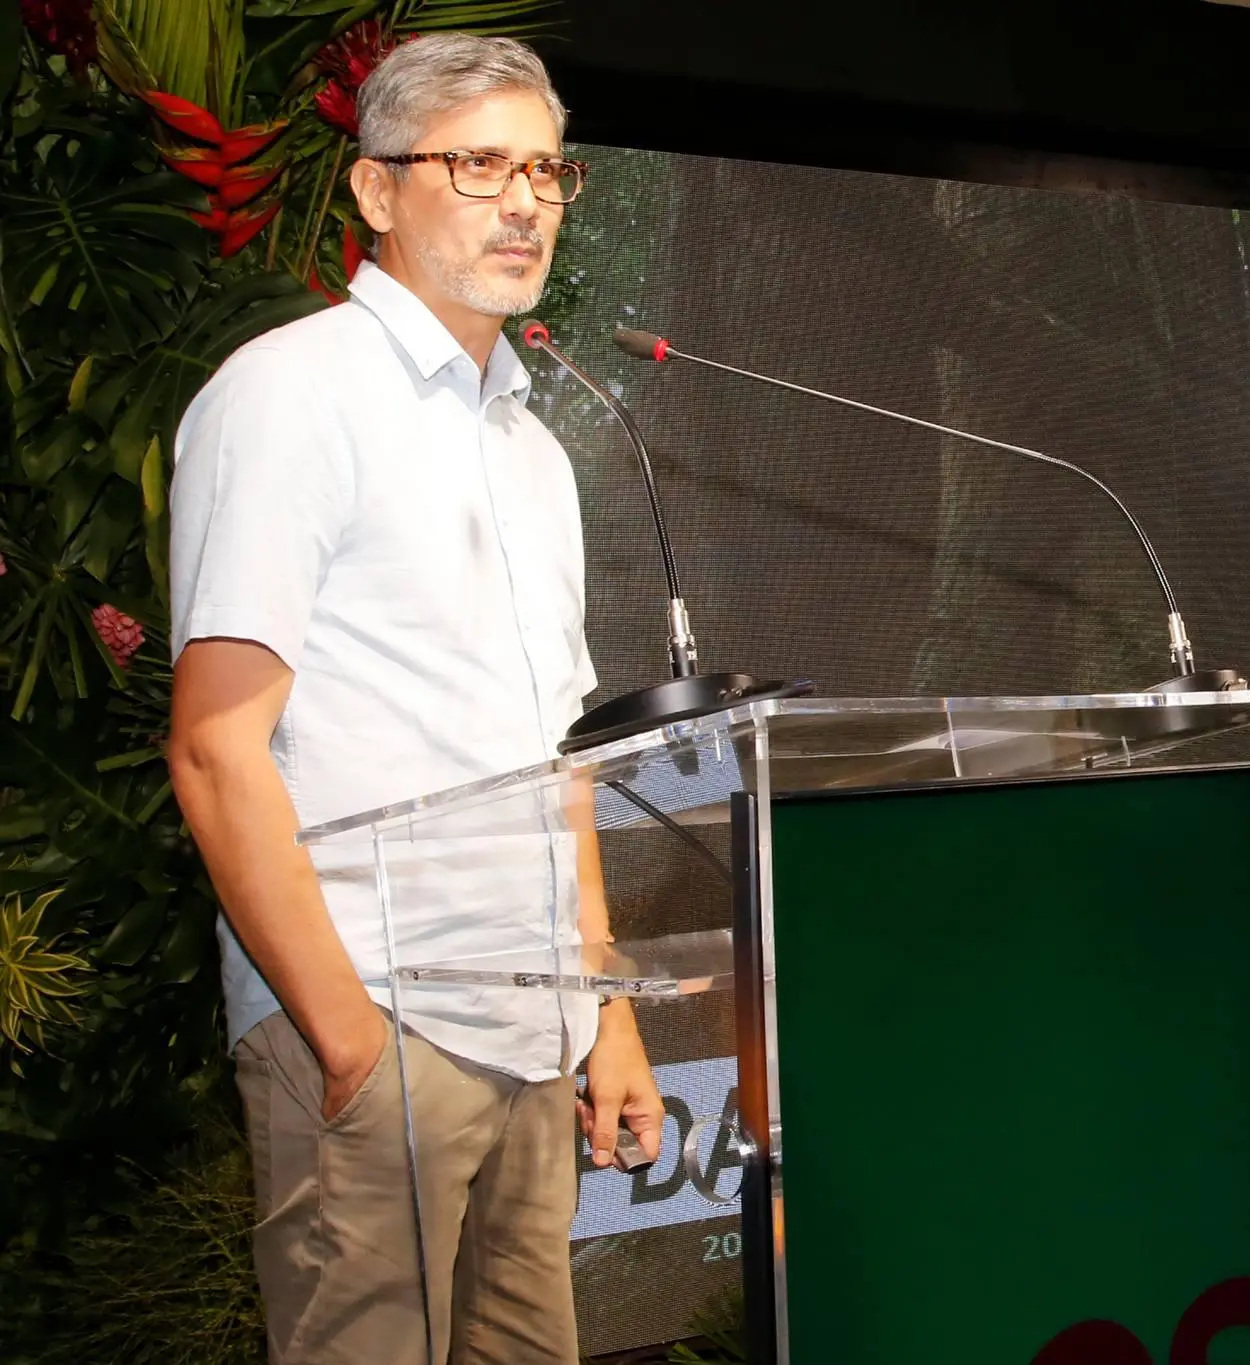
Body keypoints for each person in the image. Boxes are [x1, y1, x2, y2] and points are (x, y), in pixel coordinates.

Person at [166, 35, 659, 1364]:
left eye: (547, 170)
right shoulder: (290, 396)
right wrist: (345, 1036)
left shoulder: (536, 450)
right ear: (378, 193)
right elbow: (217, 751)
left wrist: (602, 1008)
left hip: (529, 1026)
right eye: (479, 162)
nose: (524, 202)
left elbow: (561, 763)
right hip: (380, 1021)